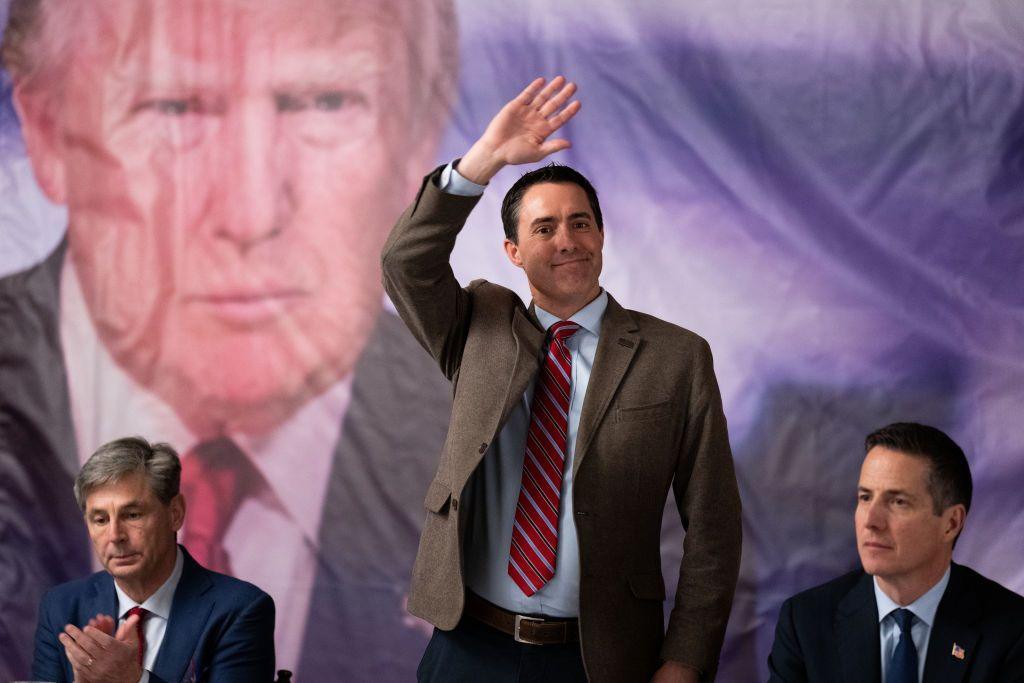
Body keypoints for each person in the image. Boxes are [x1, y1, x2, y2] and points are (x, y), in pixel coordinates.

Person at [0, 0, 456, 678]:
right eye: (174, 108)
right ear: (46, 128)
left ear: (418, 137)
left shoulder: (522, 449)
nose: (251, 213)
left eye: (325, 102)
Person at [382, 76, 743, 682]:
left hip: (601, 658)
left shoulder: (676, 357)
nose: (567, 241)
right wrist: (484, 160)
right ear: (513, 251)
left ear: (601, 236)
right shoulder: (477, 326)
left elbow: (713, 526)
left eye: (580, 224)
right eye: (544, 228)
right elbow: (404, 263)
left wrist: (684, 662)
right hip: (470, 647)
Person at [767, 422, 1024, 682]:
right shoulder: (805, 622)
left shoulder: (1013, 631)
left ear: (951, 523)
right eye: (865, 497)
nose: (871, 520)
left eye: (898, 502)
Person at [33, 436, 275, 683]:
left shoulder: (240, 610)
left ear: (175, 513)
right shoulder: (61, 607)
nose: (115, 536)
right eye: (101, 520)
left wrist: (132, 680)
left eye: (133, 515)